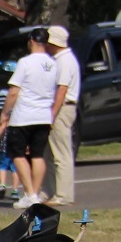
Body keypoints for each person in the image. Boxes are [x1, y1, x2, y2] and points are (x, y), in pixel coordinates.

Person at [0, 28, 59, 211]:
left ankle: (30, 193)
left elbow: (13, 91)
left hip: (24, 116)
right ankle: (34, 193)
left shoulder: (25, 62)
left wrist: (5, 113)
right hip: (44, 114)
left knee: (18, 154)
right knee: (37, 154)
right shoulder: (52, 64)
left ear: (30, 41)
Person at [45, 23, 80, 206]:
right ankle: (50, 191)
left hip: (62, 108)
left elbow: (62, 89)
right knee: (49, 153)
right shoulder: (60, 59)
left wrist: (52, 113)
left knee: (61, 153)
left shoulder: (64, 61)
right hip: (59, 107)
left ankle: (64, 194)